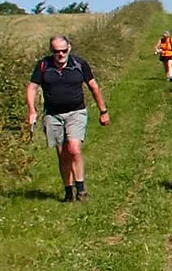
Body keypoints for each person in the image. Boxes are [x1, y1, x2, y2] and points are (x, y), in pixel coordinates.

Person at [25, 35, 110, 202]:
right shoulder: (43, 65)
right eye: (57, 52)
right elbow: (32, 87)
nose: (61, 55)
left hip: (75, 112)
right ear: (52, 51)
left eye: (64, 51)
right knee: (62, 154)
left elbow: (93, 86)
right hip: (52, 115)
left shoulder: (79, 64)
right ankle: (68, 191)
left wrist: (103, 111)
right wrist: (31, 110)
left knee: (74, 149)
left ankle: (81, 190)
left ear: (69, 48)